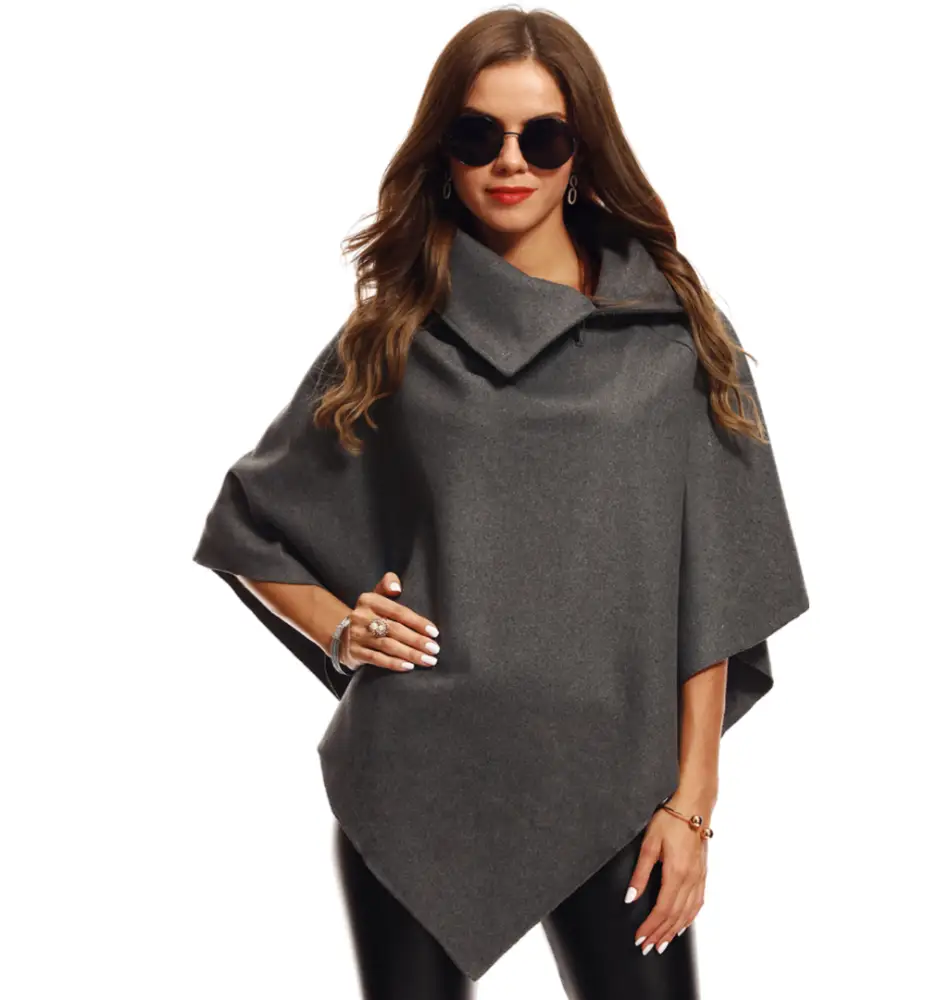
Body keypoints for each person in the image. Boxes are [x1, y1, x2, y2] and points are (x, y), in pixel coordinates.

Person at [191, 9, 809, 999]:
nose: (509, 161)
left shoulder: (671, 331)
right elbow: (249, 523)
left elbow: (714, 581)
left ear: (582, 150)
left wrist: (692, 804)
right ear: (444, 152)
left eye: (542, 137)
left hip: (618, 783)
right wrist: (343, 629)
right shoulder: (396, 331)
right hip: (419, 777)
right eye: (478, 135)